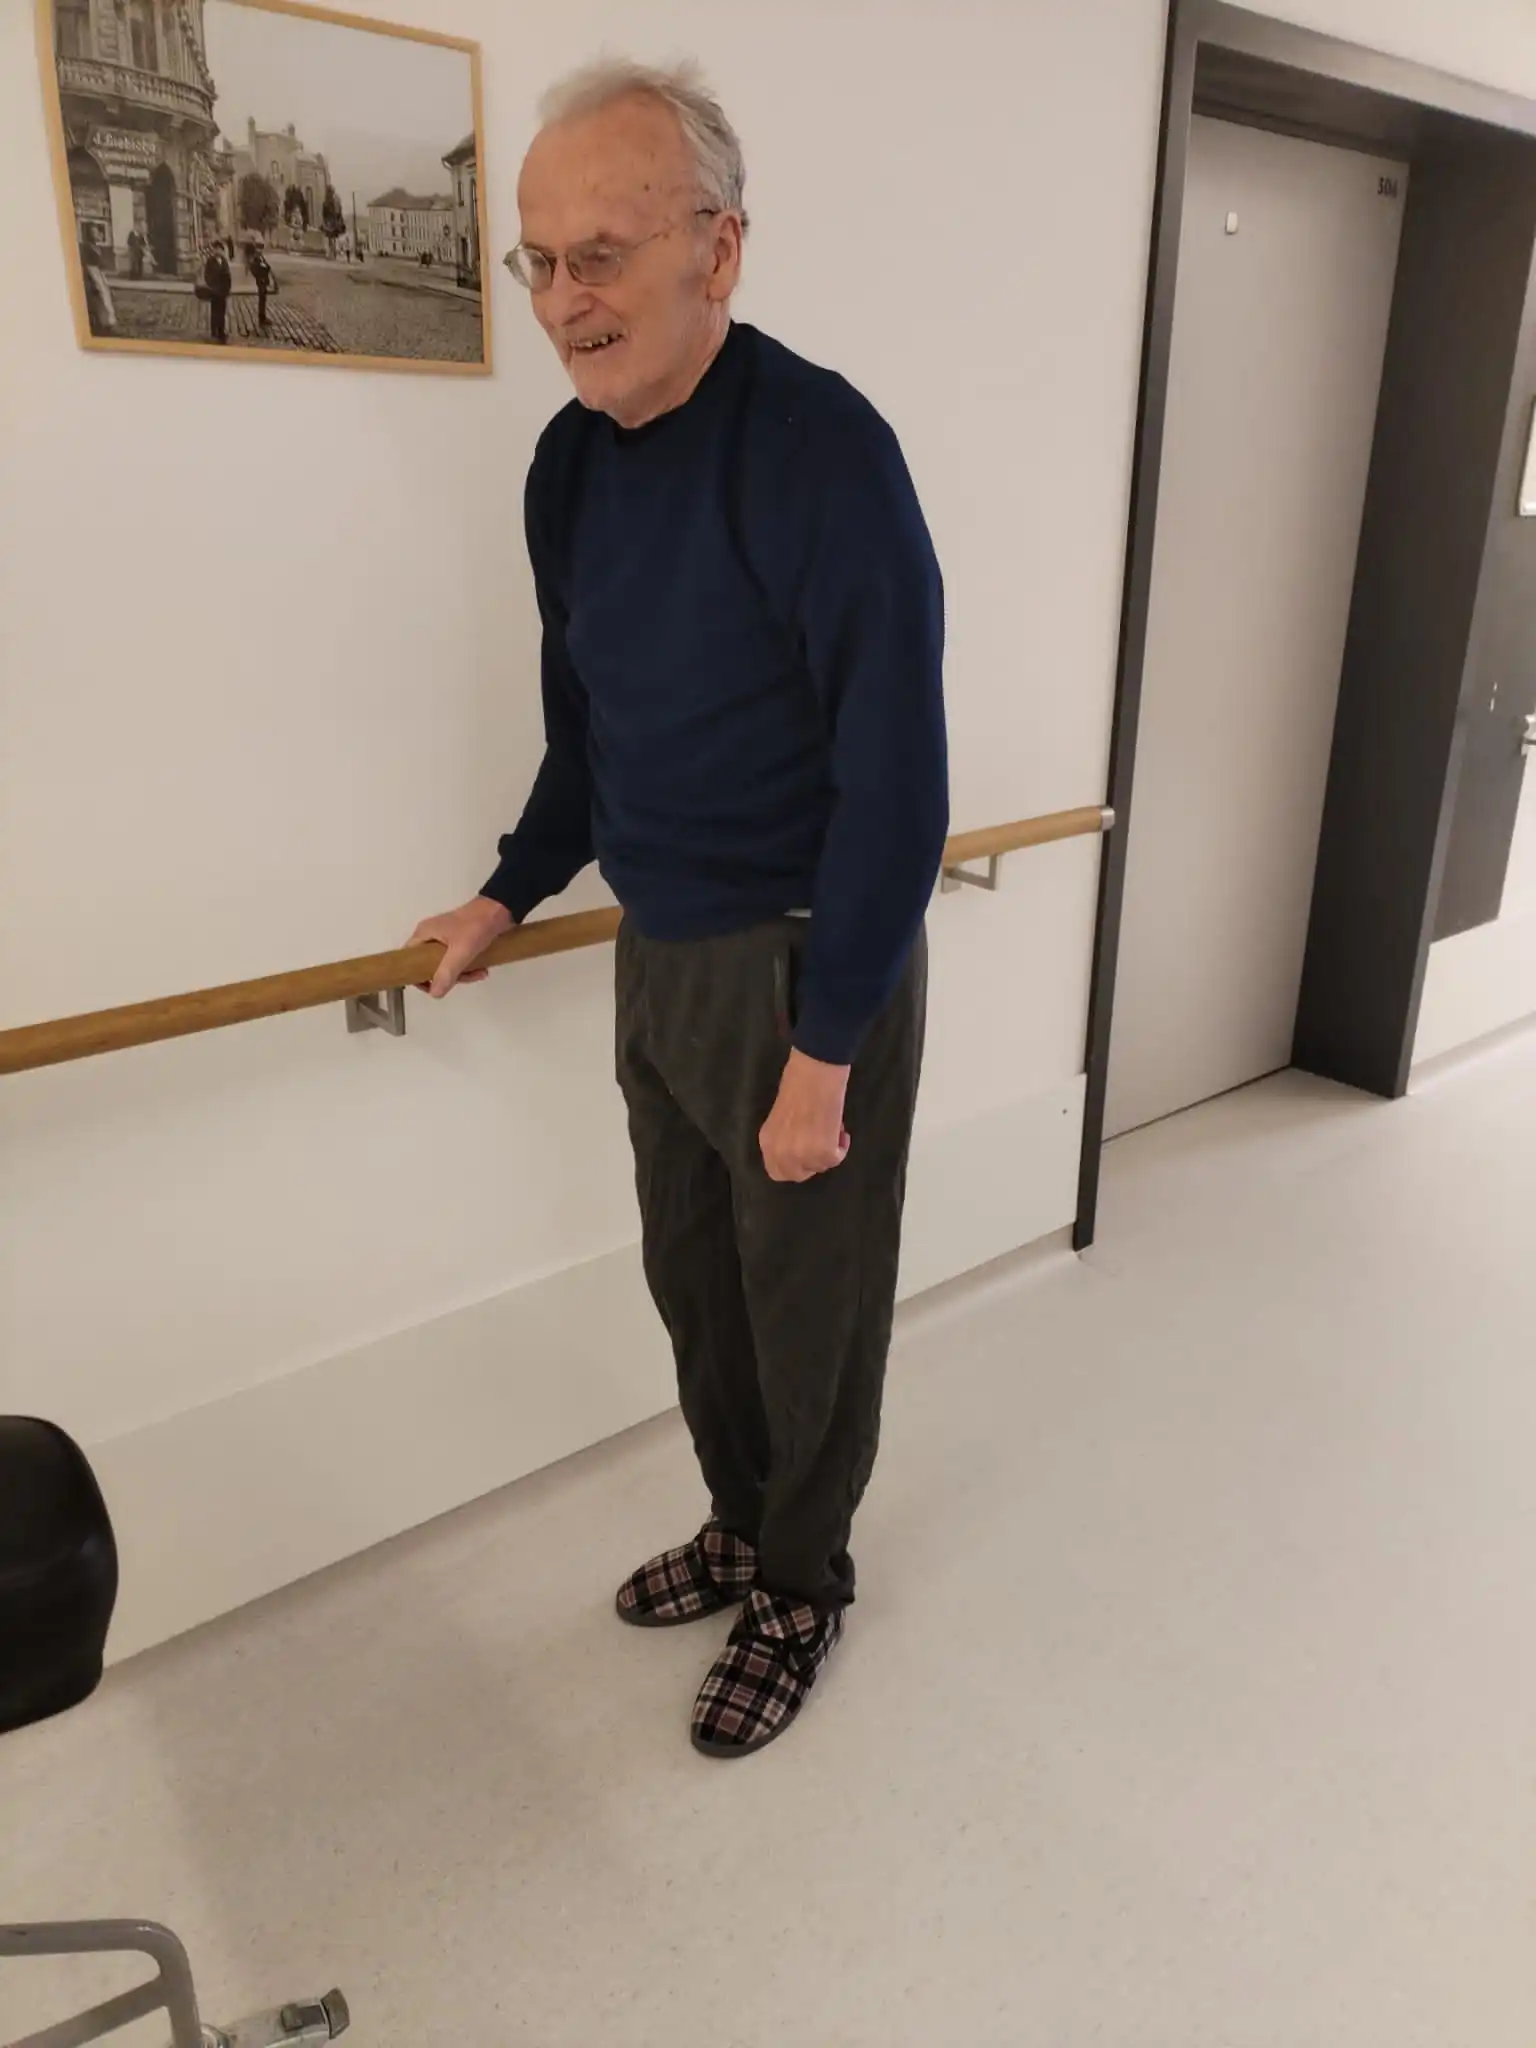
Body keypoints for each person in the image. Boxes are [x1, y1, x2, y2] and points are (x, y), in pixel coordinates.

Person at [410, 59, 946, 1760]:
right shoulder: (567, 471)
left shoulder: (824, 454)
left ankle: (801, 1580)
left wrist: (826, 1049)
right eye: (540, 261)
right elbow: (589, 734)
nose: (564, 300)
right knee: (698, 1287)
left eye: (603, 254)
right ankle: (736, 1519)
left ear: (718, 249)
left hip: (807, 960)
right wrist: (509, 887)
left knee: (810, 1311)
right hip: (661, 954)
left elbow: (900, 788)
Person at [79, 232, 116, 337]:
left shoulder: (96, 247)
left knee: (104, 295)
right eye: (96, 233)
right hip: (92, 273)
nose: (100, 235)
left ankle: (106, 321)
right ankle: (102, 322)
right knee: (99, 297)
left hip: (98, 273)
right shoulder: (87, 247)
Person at [203, 241, 232, 344]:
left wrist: (228, 288)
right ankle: (214, 331)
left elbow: (228, 276)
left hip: (223, 291)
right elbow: (207, 275)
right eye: (216, 249)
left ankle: (221, 331)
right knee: (215, 312)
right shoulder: (210, 261)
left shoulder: (224, 261)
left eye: (220, 249)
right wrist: (212, 286)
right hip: (214, 291)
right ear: (213, 250)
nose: (218, 251)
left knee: (222, 312)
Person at [244, 240, 276, 330]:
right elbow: (254, 269)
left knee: (263, 300)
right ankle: (262, 318)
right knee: (262, 300)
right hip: (261, 281)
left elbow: (267, 266)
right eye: (259, 248)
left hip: (264, 280)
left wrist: (266, 268)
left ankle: (263, 316)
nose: (260, 250)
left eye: (261, 248)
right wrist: (259, 276)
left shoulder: (261, 257)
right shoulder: (256, 258)